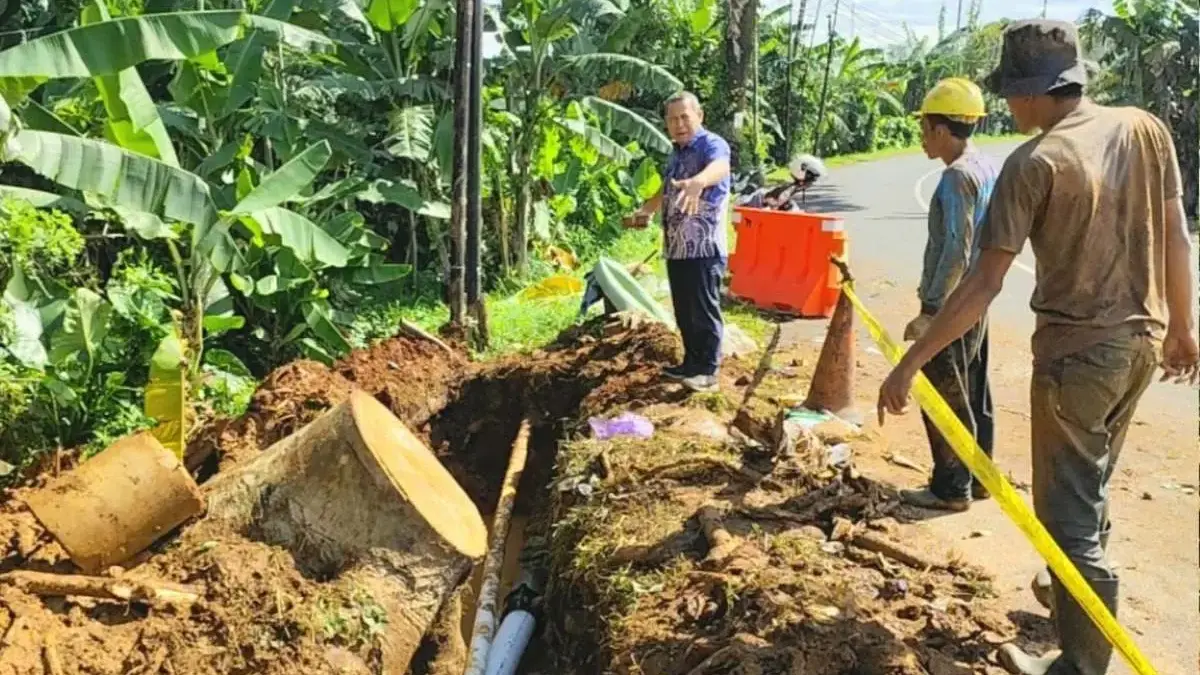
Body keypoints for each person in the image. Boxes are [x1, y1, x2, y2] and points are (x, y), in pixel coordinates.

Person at [876, 20, 1199, 675]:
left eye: (1010, 94)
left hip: (1075, 360)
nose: (1007, 108)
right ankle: (1068, 590)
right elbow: (1176, 235)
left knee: (1068, 513)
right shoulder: (1143, 128)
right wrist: (1184, 328)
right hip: (1141, 346)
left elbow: (980, 286)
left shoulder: (1035, 162)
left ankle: (1080, 661)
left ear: (1031, 92)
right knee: (1091, 485)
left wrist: (910, 363)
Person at [900, 77, 999, 513]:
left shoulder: (956, 178)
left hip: (953, 305)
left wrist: (931, 311)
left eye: (924, 127)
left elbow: (955, 248)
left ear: (941, 129)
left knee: (945, 394)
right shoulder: (986, 167)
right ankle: (979, 478)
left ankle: (951, 487)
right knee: (974, 388)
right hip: (978, 300)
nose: (922, 137)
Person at [624, 91, 732, 393]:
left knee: (703, 308)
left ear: (699, 116)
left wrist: (699, 182)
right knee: (684, 310)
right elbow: (667, 187)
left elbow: (720, 167)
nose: (678, 124)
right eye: (672, 119)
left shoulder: (711, 144)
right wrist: (648, 209)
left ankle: (708, 370)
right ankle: (691, 363)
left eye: (684, 116)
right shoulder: (677, 154)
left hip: (704, 246)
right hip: (677, 248)